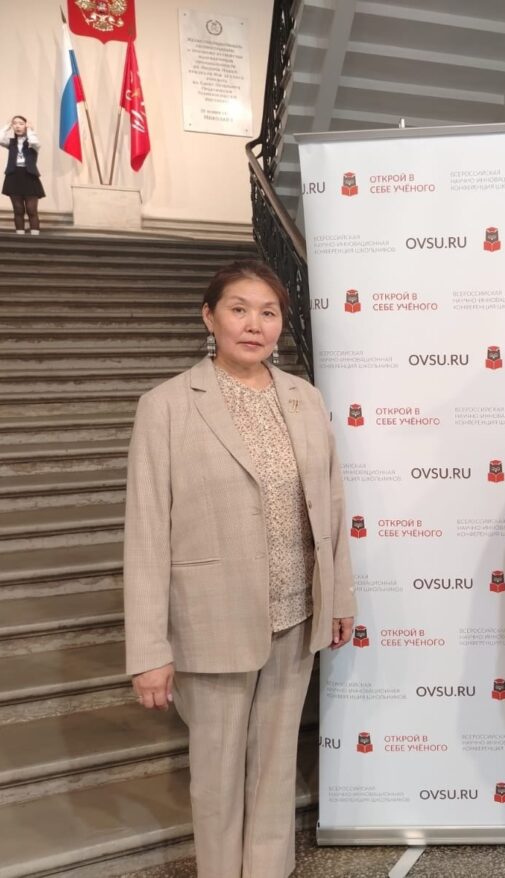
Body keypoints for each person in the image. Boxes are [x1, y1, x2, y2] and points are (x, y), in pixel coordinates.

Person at [124, 260, 357, 878]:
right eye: (239, 309)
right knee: (218, 775)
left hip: (295, 614)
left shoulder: (304, 399)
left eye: (269, 312)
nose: (254, 325)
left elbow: (331, 507)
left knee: (276, 768)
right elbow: (145, 532)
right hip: (212, 619)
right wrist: (148, 648)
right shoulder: (166, 406)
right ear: (210, 317)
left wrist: (339, 597)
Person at [0, 116, 44, 234]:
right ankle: (19, 236)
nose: (17, 126)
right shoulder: (11, 142)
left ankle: (35, 237)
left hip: (29, 176)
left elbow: (34, 142)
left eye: (21, 123)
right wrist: (7, 126)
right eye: (15, 123)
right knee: (18, 210)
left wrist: (30, 130)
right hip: (14, 176)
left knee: (31, 210)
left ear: (26, 125)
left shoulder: (32, 141)